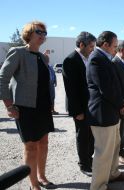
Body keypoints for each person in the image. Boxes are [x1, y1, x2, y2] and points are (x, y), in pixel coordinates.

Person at [0, 21, 56, 190]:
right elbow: (3, 79)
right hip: (25, 108)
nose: (42, 35)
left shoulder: (42, 57)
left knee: (44, 143)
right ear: (29, 33)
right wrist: (9, 106)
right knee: (31, 146)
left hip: (43, 107)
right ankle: (33, 184)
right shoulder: (18, 53)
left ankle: (42, 176)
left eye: (44, 33)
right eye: (39, 32)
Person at [87, 31, 124, 190]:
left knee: (113, 147)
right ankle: (98, 186)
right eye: (114, 45)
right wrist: (121, 103)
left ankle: (113, 173)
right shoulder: (96, 59)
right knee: (103, 153)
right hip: (102, 114)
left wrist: (122, 102)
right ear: (105, 44)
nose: (116, 48)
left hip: (111, 112)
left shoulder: (106, 58)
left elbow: (114, 86)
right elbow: (105, 88)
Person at [62, 31, 96, 176]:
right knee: (83, 136)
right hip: (80, 108)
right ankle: (84, 164)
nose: (93, 50)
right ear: (81, 44)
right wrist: (77, 111)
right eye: (90, 47)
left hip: (91, 105)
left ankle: (89, 159)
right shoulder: (71, 60)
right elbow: (71, 89)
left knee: (91, 135)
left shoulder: (88, 58)